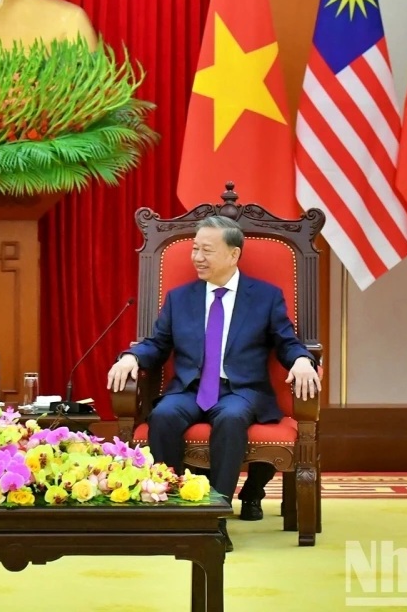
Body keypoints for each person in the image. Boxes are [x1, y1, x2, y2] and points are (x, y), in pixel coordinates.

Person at [106, 215, 320, 551]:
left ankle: (215, 517)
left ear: (234, 254)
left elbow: (286, 342)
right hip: (190, 389)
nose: (197, 257)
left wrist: (303, 361)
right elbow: (157, 344)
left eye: (207, 250)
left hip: (240, 390)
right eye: (195, 249)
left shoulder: (264, 297)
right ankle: (172, 510)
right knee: (163, 415)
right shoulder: (180, 298)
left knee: (231, 418)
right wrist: (131, 357)